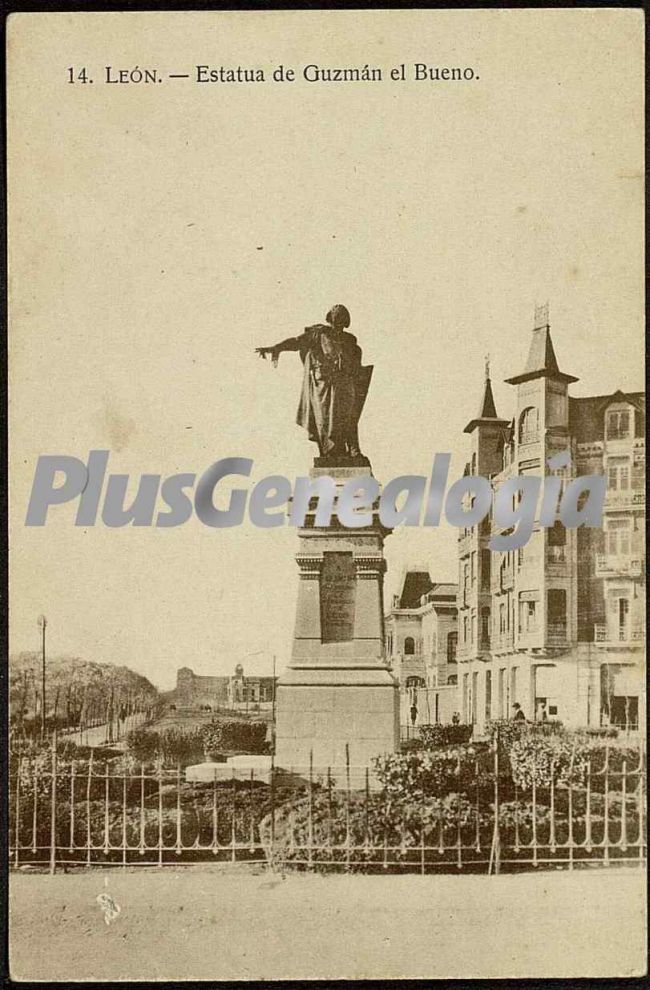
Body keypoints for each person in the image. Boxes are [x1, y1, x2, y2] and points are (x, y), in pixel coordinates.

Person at [256, 304, 372, 463]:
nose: (338, 321)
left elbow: (356, 361)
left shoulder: (350, 340)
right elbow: (296, 342)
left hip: (345, 384)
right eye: (336, 317)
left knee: (350, 416)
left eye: (342, 318)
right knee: (325, 420)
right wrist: (276, 348)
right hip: (325, 385)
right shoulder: (318, 333)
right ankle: (330, 452)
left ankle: (353, 449)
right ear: (330, 318)